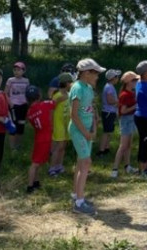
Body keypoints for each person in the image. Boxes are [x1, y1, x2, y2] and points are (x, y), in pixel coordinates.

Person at [68, 58, 105, 215]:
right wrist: (86, 133)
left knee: (81, 163)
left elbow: (91, 109)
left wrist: (93, 129)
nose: (97, 77)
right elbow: (74, 115)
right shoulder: (77, 88)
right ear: (86, 73)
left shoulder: (88, 88)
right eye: (95, 73)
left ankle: (77, 195)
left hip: (87, 131)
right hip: (78, 131)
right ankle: (79, 204)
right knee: (86, 163)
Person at [24, 85, 55, 193]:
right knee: (35, 163)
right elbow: (55, 102)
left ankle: (36, 182)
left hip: (39, 137)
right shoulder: (44, 105)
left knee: (39, 161)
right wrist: (52, 95)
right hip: (45, 138)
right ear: (39, 96)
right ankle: (30, 186)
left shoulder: (29, 112)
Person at [111, 71, 139, 178]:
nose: (136, 82)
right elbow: (122, 111)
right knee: (123, 146)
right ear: (129, 82)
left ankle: (127, 166)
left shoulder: (131, 93)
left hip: (131, 119)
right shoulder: (124, 95)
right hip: (126, 120)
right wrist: (135, 106)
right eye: (134, 80)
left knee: (128, 145)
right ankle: (115, 169)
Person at [48, 73, 73, 177]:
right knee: (59, 146)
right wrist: (51, 123)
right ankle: (52, 168)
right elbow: (51, 109)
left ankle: (59, 165)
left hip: (66, 123)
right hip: (58, 124)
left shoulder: (68, 94)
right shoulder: (57, 95)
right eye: (71, 82)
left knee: (63, 146)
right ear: (66, 83)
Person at [5, 61, 30, 150]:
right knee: (14, 125)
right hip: (13, 105)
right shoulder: (10, 80)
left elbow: (28, 93)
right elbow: (5, 93)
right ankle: (12, 147)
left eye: (19, 70)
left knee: (21, 126)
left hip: (23, 105)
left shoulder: (26, 81)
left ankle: (18, 145)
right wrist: (10, 103)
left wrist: (28, 103)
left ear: (23, 71)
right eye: (15, 70)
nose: (16, 72)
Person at [97, 69, 121, 157]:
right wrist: (118, 101)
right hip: (108, 112)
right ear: (113, 78)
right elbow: (110, 100)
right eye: (117, 77)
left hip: (110, 112)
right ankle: (101, 151)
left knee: (109, 131)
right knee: (106, 132)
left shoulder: (110, 86)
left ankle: (106, 148)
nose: (118, 78)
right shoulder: (109, 87)